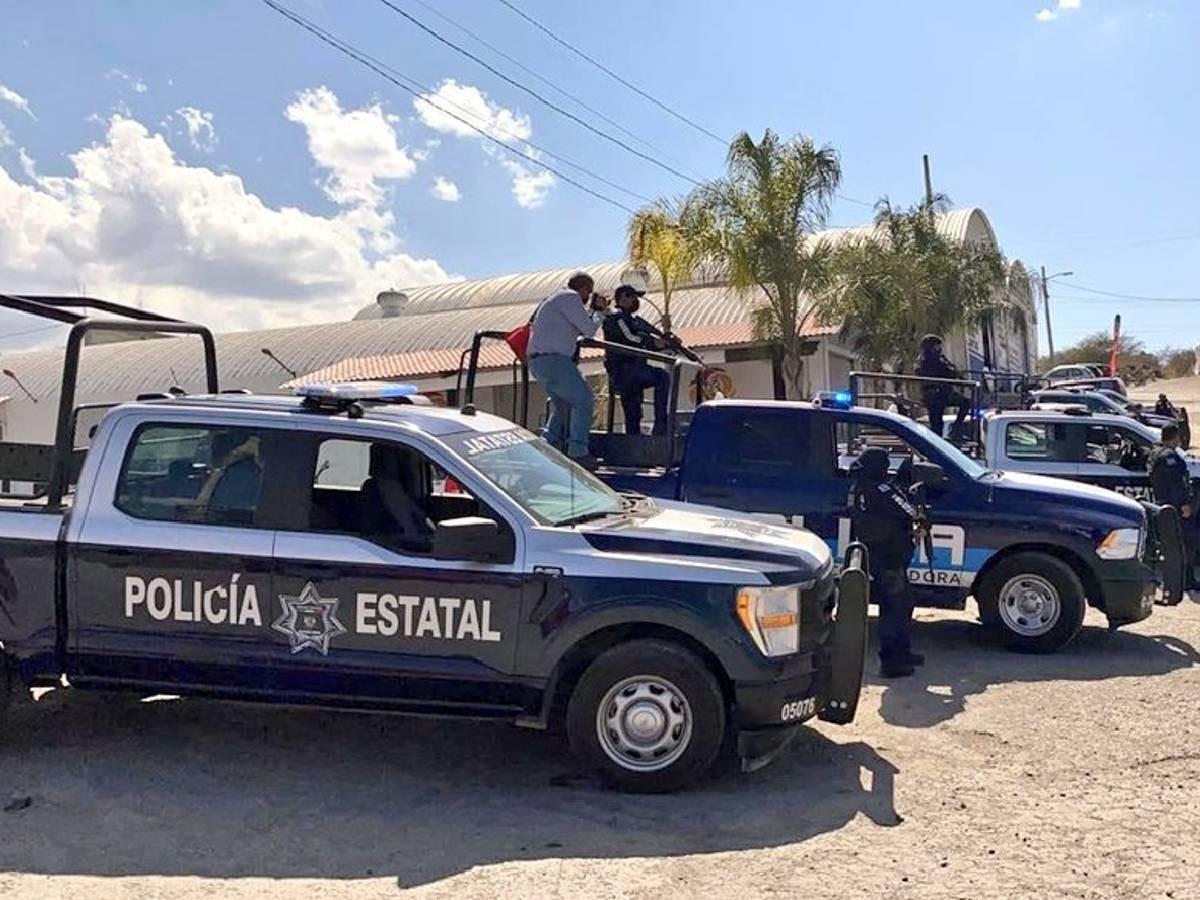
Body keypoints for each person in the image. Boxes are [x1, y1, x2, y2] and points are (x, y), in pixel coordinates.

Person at [850, 447, 923, 678]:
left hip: (877, 553)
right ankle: (892, 662)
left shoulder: (858, 487)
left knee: (900, 602)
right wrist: (912, 493)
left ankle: (903, 652)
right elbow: (909, 511)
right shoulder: (883, 489)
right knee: (895, 608)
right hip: (891, 554)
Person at [526, 272, 609, 468]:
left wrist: (593, 312)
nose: (588, 296)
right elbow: (589, 329)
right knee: (584, 400)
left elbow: (578, 325)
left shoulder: (557, 299)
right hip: (555, 360)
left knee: (563, 406)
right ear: (584, 288)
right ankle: (578, 452)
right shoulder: (569, 297)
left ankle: (548, 444)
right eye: (589, 291)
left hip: (541, 361)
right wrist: (599, 312)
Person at [602, 284, 672, 436]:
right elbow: (630, 338)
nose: (634, 300)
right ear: (621, 298)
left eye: (635, 297)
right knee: (661, 377)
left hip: (634, 369)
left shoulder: (630, 319)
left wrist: (663, 342)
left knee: (633, 411)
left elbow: (643, 342)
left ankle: (636, 440)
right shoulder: (616, 317)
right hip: (625, 370)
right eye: (630, 296)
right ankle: (660, 426)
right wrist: (651, 341)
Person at [1148, 422, 1198, 592]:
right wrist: (1184, 505)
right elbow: (1176, 485)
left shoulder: (1155, 453)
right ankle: (1187, 580)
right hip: (1175, 509)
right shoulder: (1170, 459)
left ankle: (1183, 579)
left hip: (1162, 506)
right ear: (1175, 437)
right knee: (1186, 544)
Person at [915, 334, 968, 442]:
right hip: (940, 395)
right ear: (931, 347)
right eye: (936, 346)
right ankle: (956, 428)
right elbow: (950, 373)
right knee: (966, 403)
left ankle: (936, 442)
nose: (939, 348)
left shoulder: (921, 361)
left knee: (936, 424)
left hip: (931, 396)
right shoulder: (933, 360)